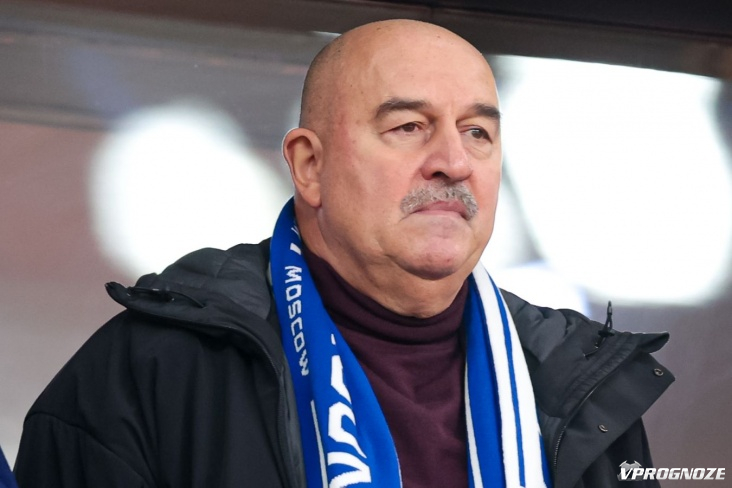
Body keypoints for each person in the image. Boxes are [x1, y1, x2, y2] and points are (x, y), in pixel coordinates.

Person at [14, 19, 673, 488]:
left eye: (477, 132)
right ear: (310, 165)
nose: (453, 162)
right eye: (409, 126)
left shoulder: (577, 385)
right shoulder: (149, 371)